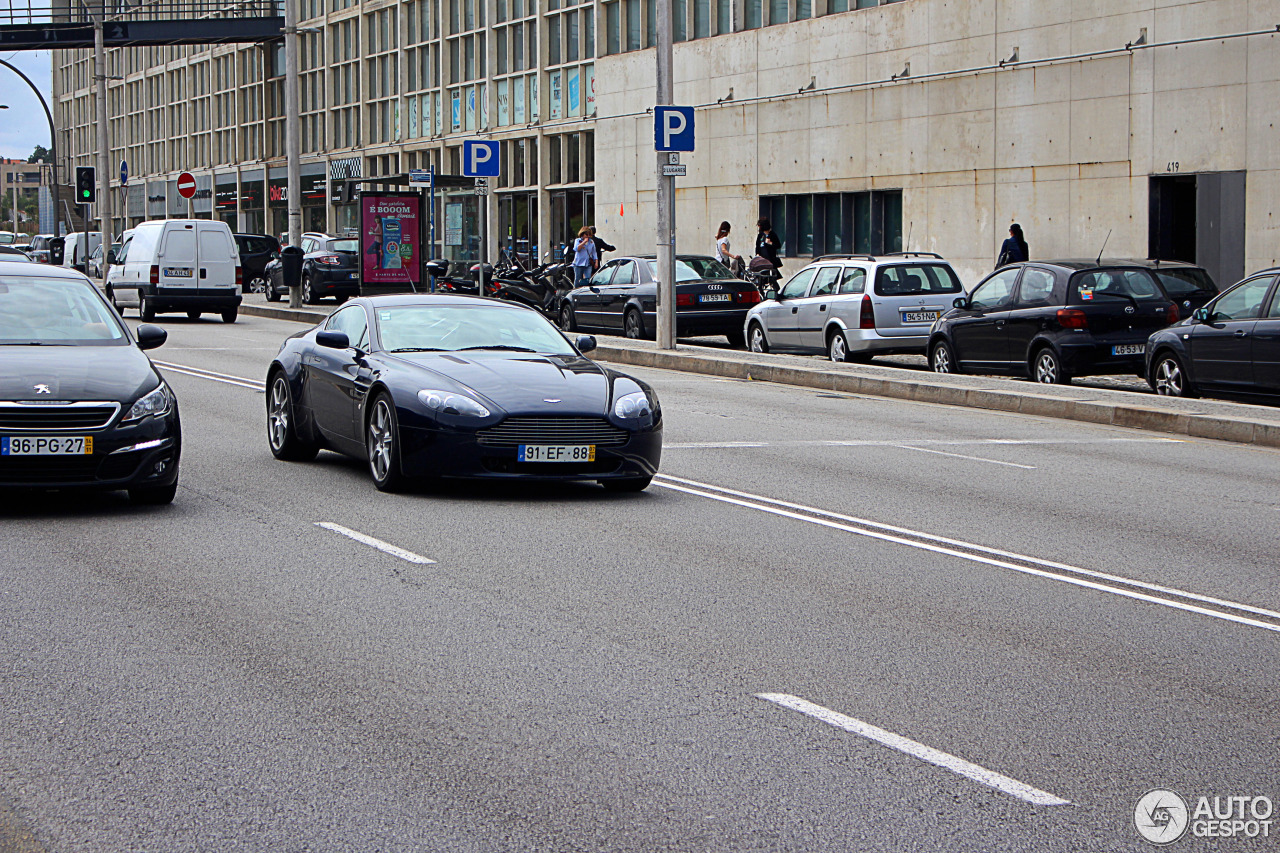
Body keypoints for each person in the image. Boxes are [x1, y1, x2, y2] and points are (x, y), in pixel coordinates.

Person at [753, 217, 783, 284]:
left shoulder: (772, 235)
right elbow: (757, 246)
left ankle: (775, 290)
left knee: (772, 278)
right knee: (761, 278)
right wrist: (757, 254)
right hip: (762, 260)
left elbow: (778, 245)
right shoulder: (760, 235)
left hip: (770, 260)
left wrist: (770, 243)